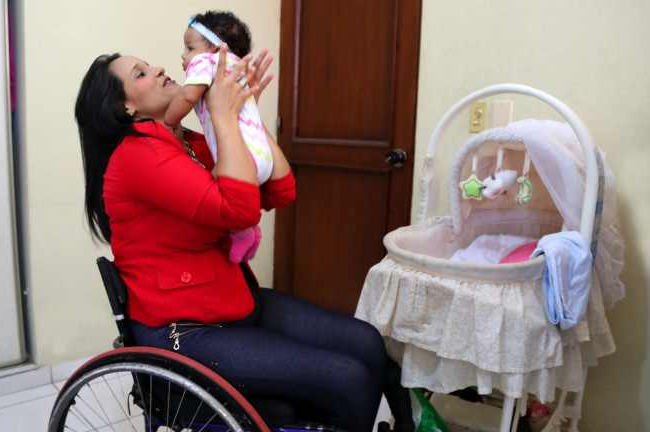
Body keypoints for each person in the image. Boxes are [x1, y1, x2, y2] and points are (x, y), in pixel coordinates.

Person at [75, 45, 413, 432]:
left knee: (366, 342)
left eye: (148, 65)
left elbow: (279, 190)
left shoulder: (191, 142)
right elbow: (239, 211)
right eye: (140, 73)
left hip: (232, 301)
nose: (159, 68)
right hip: (183, 329)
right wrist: (222, 115)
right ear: (125, 108)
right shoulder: (138, 154)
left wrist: (245, 113)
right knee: (345, 376)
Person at [164, 11, 271, 264]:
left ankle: (243, 231)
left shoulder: (207, 62)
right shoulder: (236, 68)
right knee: (224, 187)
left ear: (214, 49)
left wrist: (169, 121)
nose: (184, 55)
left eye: (190, 48)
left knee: (215, 188)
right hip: (261, 154)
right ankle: (248, 230)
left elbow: (188, 96)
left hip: (239, 158)